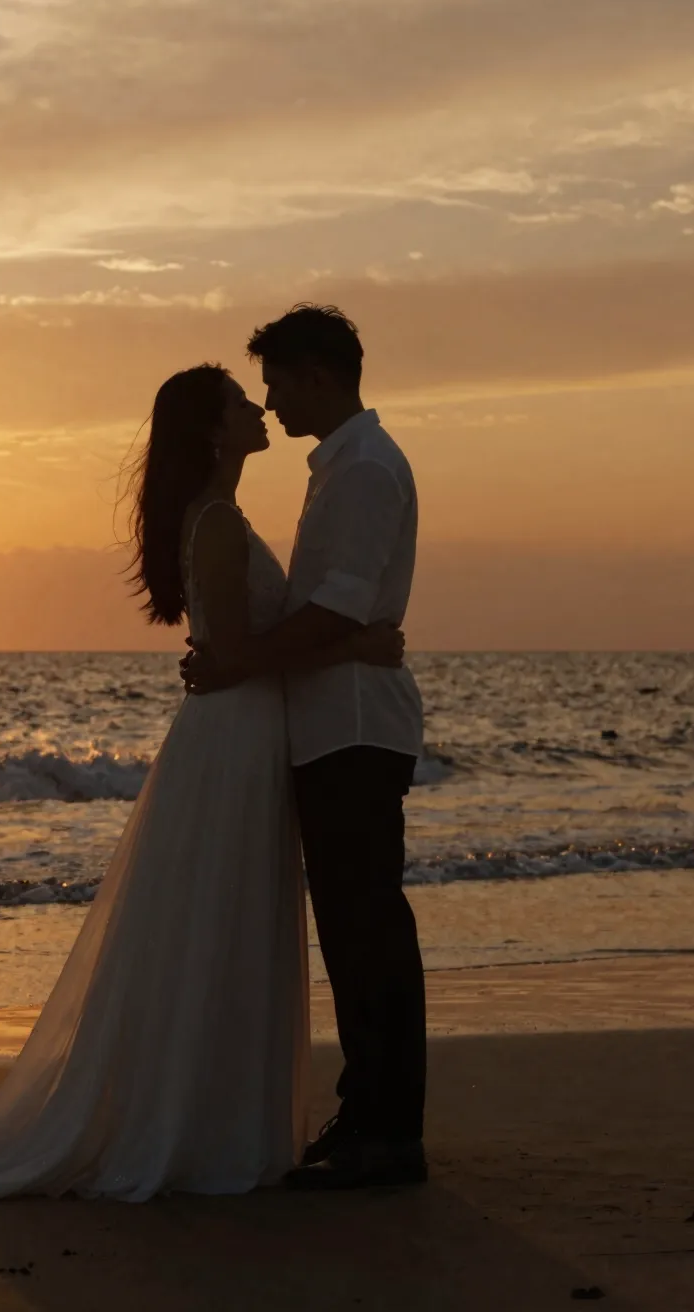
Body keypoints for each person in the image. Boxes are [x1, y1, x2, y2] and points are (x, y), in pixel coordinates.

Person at [0, 363, 403, 1204]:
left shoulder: (221, 518)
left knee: (226, 919)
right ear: (213, 431)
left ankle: (214, 1118)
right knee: (218, 917)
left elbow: (232, 652)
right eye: (242, 403)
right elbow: (237, 656)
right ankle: (197, 1128)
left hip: (242, 735)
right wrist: (353, 646)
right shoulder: (213, 523)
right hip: (233, 738)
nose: (259, 408)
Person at [184, 304, 427, 1191]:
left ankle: (389, 1131)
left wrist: (244, 660)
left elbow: (339, 607)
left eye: (279, 384)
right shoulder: (339, 469)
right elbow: (329, 614)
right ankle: (370, 1115)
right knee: (354, 931)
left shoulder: (362, 468)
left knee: (367, 931)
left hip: (355, 723)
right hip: (331, 719)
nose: (272, 402)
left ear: (319, 375)